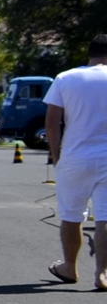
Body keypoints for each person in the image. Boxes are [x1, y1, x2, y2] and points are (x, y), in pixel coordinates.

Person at [45, 35, 107, 290]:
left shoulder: (65, 78)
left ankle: (69, 267)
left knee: (71, 215)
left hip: (75, 156)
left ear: (89, 53)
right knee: (105, 217)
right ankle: (102, 273)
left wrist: (56, 154)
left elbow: (52, 121)